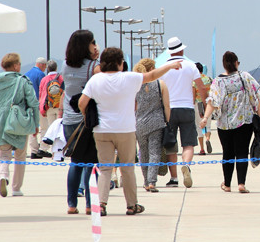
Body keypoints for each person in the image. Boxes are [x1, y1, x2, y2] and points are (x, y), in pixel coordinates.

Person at [79, 47, 181, 216]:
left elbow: (82, 103)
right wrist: (170, 66)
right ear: (120, 63)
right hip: (125, 129)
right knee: (127, 167)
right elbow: (152, 76)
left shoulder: (95, 80)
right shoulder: (129, 78)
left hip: (102, 130)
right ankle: (132, 205)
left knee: (105, 168)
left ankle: (102, 204)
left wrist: (88, 117)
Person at [201, 51, 260, 193]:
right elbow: (257, 97)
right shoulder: (245, 77)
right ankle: (241, 184)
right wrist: (259, 119)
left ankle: (227, 184)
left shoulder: (218, 81)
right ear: (236, 63)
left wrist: (205, 118)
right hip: (245, 122)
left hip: (224, 124)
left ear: (224, 65)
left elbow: (212, 102)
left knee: (227, 153)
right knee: (242, 153)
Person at [61, 30, 101, 214]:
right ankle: (89, 204)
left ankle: (71, 204)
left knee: (76, 161)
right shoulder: (94, 66)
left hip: (69, 118)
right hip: (87, 119)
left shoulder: (65, 66)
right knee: (91, 162)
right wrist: (97, 55)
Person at [159, 37, 207, 188]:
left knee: (171, 144)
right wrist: (204, 105)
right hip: (187, 108)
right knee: (188, 143)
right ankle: (186, 165)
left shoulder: (164, 67)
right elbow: (201, 87)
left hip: (169, 109)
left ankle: (173, 178)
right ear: (181, 50)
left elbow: (158, 88)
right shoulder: (191, 66)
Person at [0, 53, 40, 197]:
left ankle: (3, 176)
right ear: (16, 65)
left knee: (4, 154)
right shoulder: (23, 81)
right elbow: (34, 103)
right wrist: (36, 124)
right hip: (18, 121)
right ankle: (16, 188)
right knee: (20, 155)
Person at [133, 58, 170, 193]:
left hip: (140, 123)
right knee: (155, 152)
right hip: (157, 122)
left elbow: (133, 106)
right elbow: (166, 105)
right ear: (151, 69)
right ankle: (152, 182)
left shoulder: (136, 86)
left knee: (143, 152)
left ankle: (145, 181)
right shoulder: (161, 84)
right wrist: (167, 120)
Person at [25, 57, 51, 159]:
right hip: (38, 105)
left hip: (28, 105)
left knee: (32, 129)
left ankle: (33, 150)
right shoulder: (40, 75)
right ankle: (42, 149)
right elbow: (43, 91)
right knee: (44, 127)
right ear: (42, 65)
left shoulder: (27, 74)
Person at [38, 60, 63, 146]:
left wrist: (42, 109)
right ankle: (58, 149)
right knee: (59, 129)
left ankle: (50, 149)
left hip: (49, 107)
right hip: (59, 107)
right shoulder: (61, 78)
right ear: (56, 68)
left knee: (51, 129)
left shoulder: (44, 79)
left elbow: (41, 95)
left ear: (48, 68)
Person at [193, 62, 212, 155]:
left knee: (199, 126)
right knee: (207, 125)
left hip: (198, 104)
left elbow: (193, 95)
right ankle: (207, 139)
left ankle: (202, 149)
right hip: (208, 104)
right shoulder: (208, 79)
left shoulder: (194, 81)